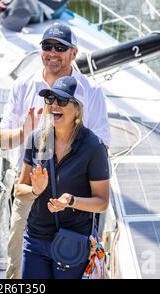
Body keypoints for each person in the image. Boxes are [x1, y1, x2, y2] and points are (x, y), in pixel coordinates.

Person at [0, 22, 110, 279]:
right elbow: (3, 142)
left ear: (74, 53)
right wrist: (28, 134)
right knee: (19, 265)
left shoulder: (90, 92)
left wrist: (65, 134)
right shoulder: (23, 86)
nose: (52, 52)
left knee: (74, 264)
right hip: (30, 194)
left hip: (74, 203)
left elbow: (101, 145)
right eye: (47, 46)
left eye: (60, 47)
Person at [16, 75, 110, 279]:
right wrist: (35, 190)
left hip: (73, 241)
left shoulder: (93, 148)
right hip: (35, 240)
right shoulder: (36, 138)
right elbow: (19, 189)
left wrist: (71, 201)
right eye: (50, 99)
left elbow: (102, 202)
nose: (54, 105)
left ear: (77, 108)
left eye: (62, 100)